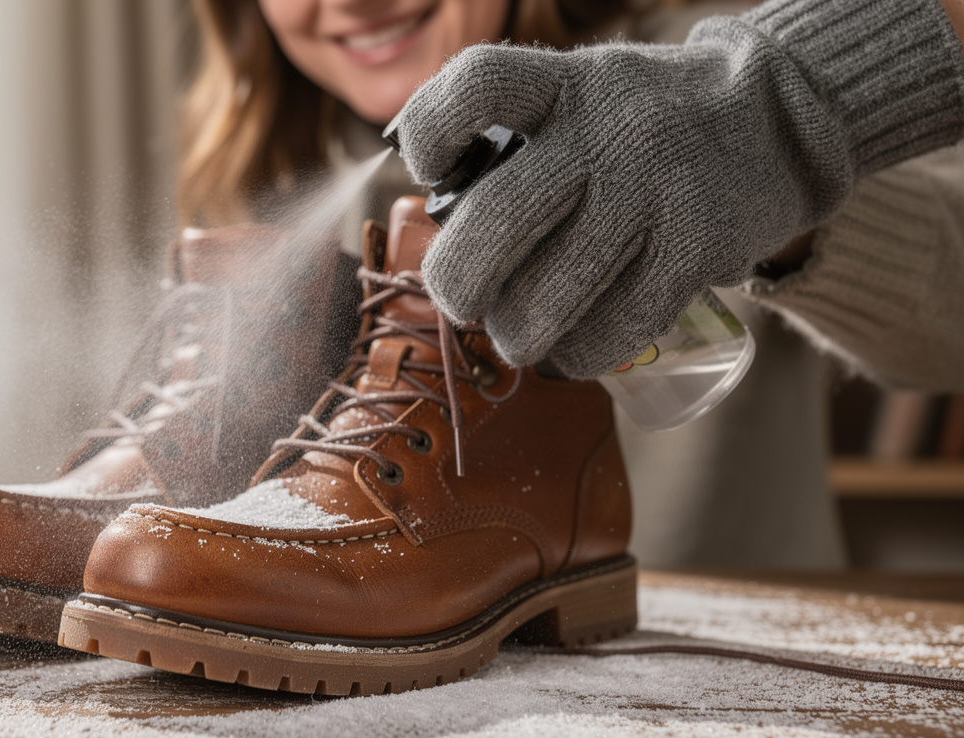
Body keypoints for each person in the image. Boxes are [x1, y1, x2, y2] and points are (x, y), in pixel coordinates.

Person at [177, 0, 964, 568]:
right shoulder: (271, 177)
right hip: (428, 643)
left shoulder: (681, 73)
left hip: (741, 647)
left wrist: (779, 194)